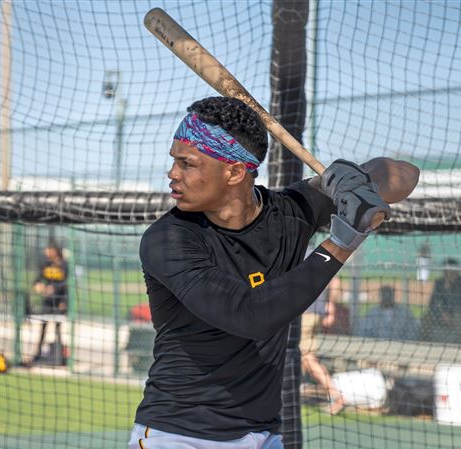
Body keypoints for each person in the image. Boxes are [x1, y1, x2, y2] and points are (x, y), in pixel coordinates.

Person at [128, 96, 418, 449]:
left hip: (264, 434)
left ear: (234, 172)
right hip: (180, 434)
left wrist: (355, 180)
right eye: (174, 161)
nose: (172, 173)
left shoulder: (289, 213)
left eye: (186, 163)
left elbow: (405, 175)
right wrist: (341, 242)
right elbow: (250, 314)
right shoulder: (169, 239)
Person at [300, 275, 344, 414]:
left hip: (306, 314)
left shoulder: (308, 252)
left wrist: (330, 306)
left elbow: (335, 280)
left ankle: (336, 396)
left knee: (306, 358)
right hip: (303, 312)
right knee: (303, 357)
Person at [419, 258, 461, 343]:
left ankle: (460, 343)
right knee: (426, 317)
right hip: (443, 314)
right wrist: (442, 313)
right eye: (448, 271)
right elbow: (432, 303)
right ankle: (424, 342)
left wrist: (453, 315)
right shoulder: (439, 283)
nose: (451, 273)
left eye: (453, 271)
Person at [31, 240, 68, 363]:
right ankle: (37, 353)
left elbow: (67, 284)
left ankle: (59, 357)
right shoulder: (45, 264)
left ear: (54, 251)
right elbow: (36, 281)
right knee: (43, 328)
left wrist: (63, 299)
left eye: (48, 249)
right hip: (47, 302)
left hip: (59, 302)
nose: (46, 252)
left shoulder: (64, 265)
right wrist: (39, 286)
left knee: (58, 330)